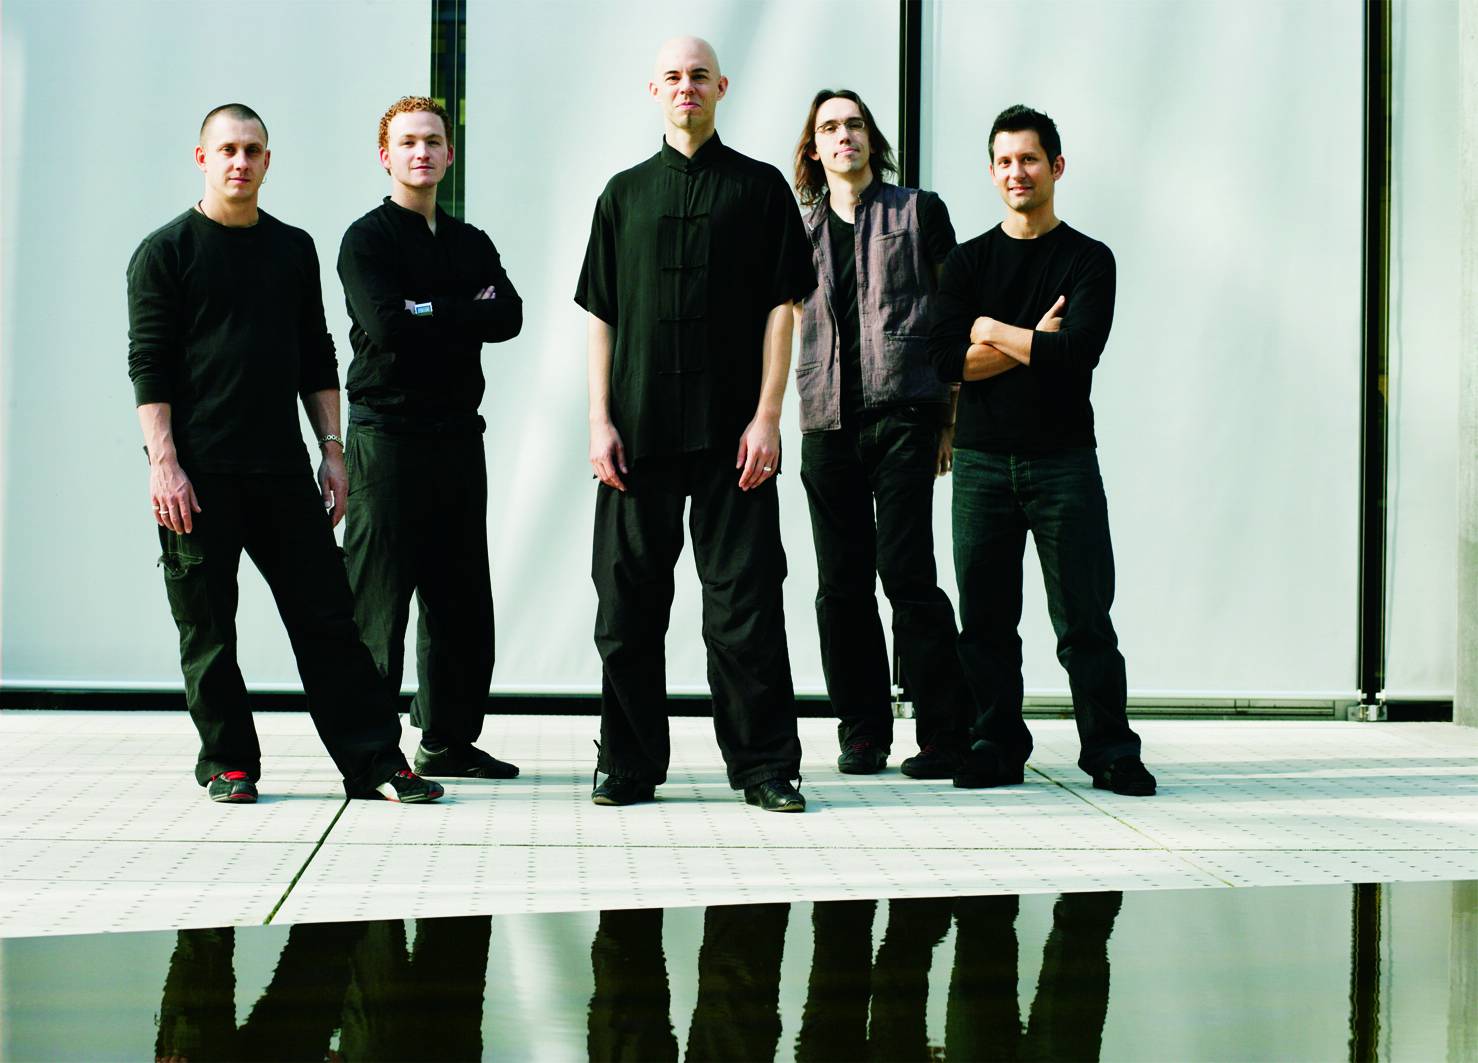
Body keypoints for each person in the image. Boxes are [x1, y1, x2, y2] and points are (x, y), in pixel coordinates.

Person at [127, 104, 442, 805]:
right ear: (202, 158)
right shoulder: (165, 252)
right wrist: (163, 463)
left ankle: (374, 762)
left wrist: (333, 451)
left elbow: (316, 353)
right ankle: (229, 763)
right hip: (198, 476)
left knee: (329, 620)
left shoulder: (292, 248)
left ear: (268, 161)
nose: (240, 162)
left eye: (253, 150)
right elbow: (148, 363)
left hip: (281, 472)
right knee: (208, 629)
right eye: (228, 150)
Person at [576, 36, 815, 812]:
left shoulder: (760, 188)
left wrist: (768, 416)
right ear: (655, 90)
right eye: (674, 77)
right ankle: (627, 763)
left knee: (746, 608)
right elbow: (601, 316)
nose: (688, 86)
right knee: (625, 609)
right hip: (636, 437)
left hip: (732, 438)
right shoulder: (622, 194)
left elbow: (784, 310)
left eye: (700, 76)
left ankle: (765, 765)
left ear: (722, 87)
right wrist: (598, 420)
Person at [928, 104, 1156, 795]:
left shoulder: (1088, 258)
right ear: (991, 171)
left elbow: (1076, 354)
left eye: (1028, 159)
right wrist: (1033, 339)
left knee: (1084, 619)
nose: (1016, 172)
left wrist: (993, 329)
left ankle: (1110, 750)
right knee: (985, 621)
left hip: (1064, 462)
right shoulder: (966, 261)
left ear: (1056, 166)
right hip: (981, 463)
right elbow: (944, 362)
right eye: (1004, 161)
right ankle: (996, 745)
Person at [337, 96, 522, 780]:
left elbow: (509, 315)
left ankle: (448, 739)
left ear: (449, 154)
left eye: (433, 141)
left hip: (457, 436)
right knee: (378, 600)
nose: (422, 152)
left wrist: (426, 309)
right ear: (385, 156)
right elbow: (386, 327)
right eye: (409, 142)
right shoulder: (367, 240)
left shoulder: (470, 242)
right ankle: (371, 751)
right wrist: (461, 309)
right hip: (387, 436)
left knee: (461, 599)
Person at [791, 88, 972, 778]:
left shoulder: (918, 211)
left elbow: (953, 317)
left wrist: (949, 419)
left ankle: (945, 732)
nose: (845, 135)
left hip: (905, 415)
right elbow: (780, 321)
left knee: (907, 573)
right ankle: (862, 730)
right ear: (815, 148)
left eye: (854, 124)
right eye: (830, 128)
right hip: (826, 423)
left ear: (871, 138)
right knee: (840, 585)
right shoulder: (796, 229)